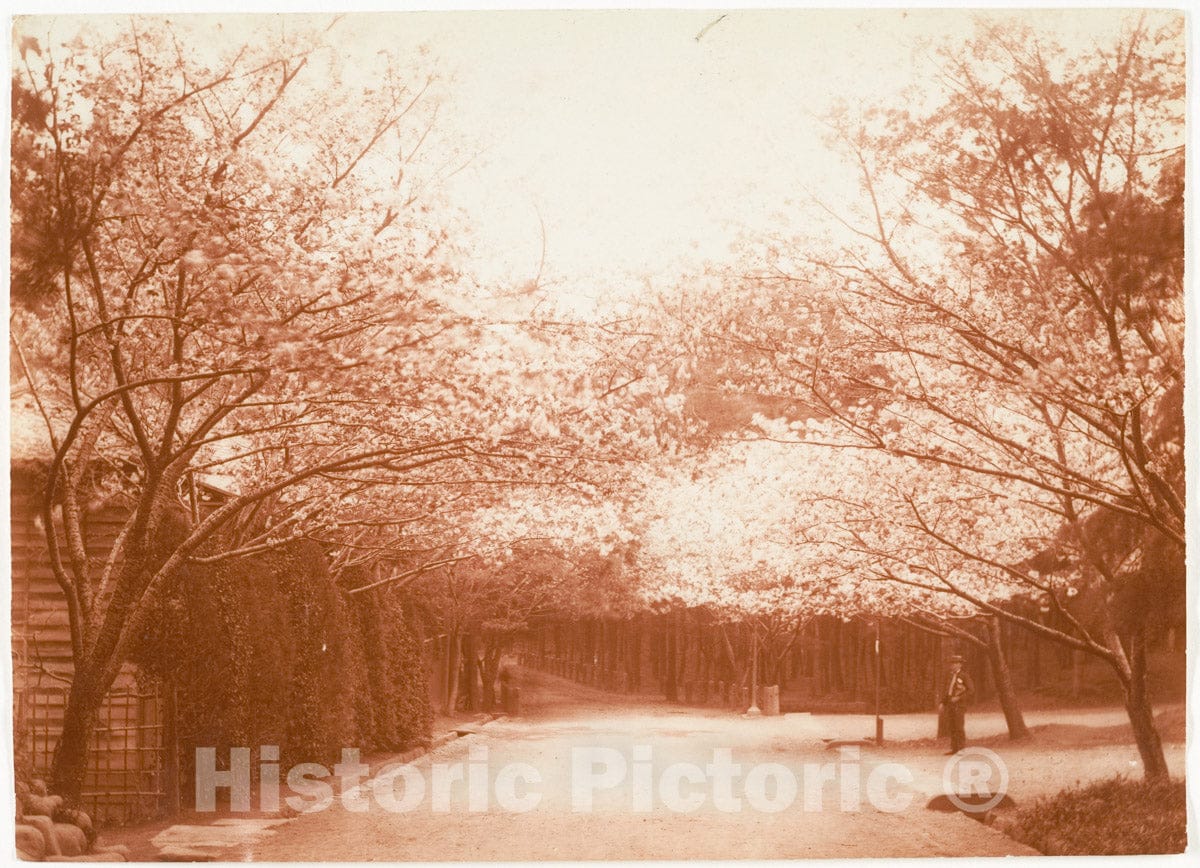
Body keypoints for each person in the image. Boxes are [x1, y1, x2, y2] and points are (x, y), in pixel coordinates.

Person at [941, 654, 974, 755]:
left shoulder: (964, 676)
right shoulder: (950, 676)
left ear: (960, 665)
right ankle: (954, 748)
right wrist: (943, 702)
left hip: (959, 705)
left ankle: (961, 749)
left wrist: (959, 698)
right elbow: (948, 691)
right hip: (950, 704)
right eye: (952, 663)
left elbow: (971, 690)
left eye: (955, 663)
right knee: (952, 727)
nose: (952, 665)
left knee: (959, 727)